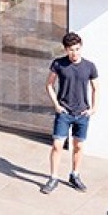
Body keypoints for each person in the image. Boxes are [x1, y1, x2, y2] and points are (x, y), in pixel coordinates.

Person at [42, 31, 98, 193]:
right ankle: (53, 178)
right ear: (66, 49)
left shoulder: (89, 66)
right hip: (64, 113)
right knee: (57, 145)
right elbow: (49, 85)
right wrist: (56, 105)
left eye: (77, 49)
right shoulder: (58, 64)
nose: (75, 53)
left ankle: (75, 175)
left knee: (78, 146)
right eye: (71, 50)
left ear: (81, 48)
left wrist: (93, 108)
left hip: (82, 114)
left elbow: (96, 88)